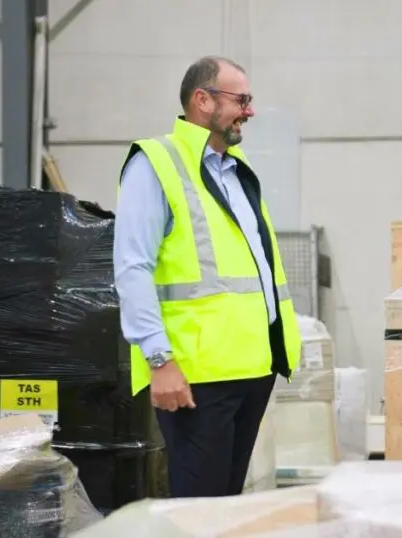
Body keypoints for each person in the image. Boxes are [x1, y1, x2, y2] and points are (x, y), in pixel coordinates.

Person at [113, 55, 301, 498]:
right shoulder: (156, 162)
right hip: (196, 378)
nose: (249, 110)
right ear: (203, 100)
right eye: (242, 100)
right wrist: (159, 361)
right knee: (199, 511)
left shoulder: (238, 170)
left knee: (225, 507)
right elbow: (132, 266)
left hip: (252, 369)